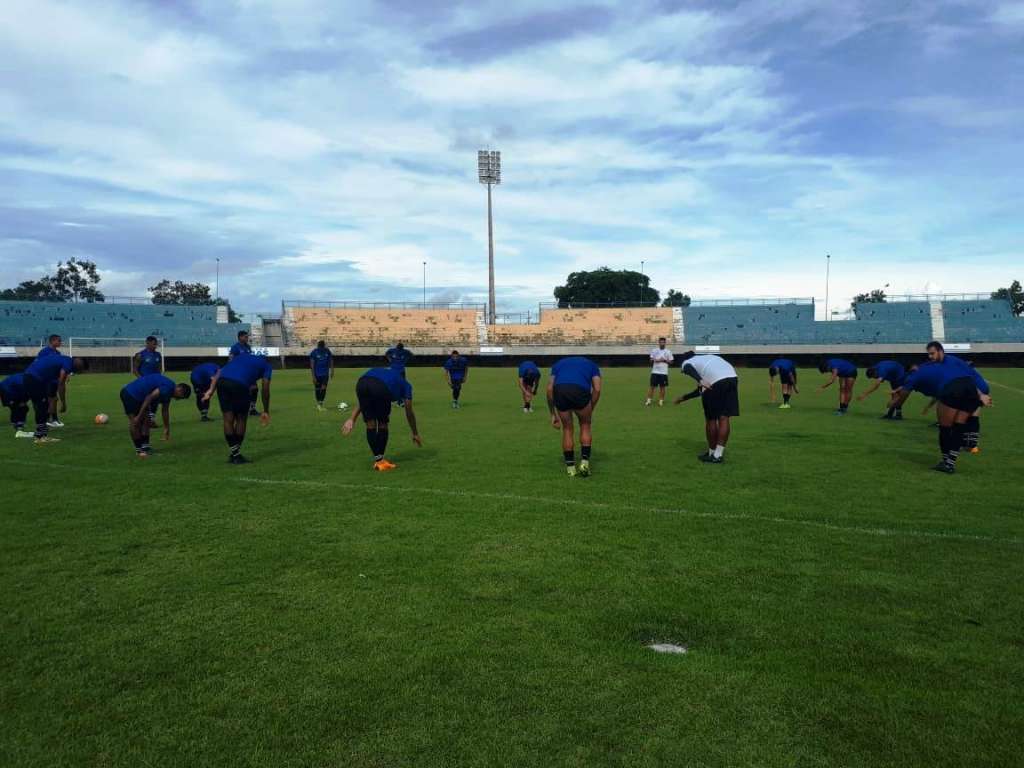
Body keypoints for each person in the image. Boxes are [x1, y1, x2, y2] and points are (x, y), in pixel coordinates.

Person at [889, 349, 991, 473]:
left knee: (946, 429)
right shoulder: (943, 363)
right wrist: (980, 395)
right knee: (959, 426)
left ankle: (947, 463)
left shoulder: (915, 376)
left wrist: (895, 404)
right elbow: (964, 376)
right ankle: (960, 454)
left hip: (952, 390)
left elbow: (905, 392)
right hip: (971, 387)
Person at [341, 367, 422, 471]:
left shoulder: (390, 375)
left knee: (370, 424)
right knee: (383, 424)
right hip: (381, 388)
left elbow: (363, 401)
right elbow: (409, 411)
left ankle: (378, 460)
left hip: (361, 383)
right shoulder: (407, 386)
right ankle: (380, 462)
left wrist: (352, 419)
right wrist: (415, 433)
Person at [203, 352, 272, 464]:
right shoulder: (266, 365)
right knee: (241, 418)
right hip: (239, 385)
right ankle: (236, 455)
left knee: (228, 418)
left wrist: (210, 391)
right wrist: (266, 410)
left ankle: (234, 454)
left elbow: (219, 372)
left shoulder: (241, 356)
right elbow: (265, 388)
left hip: (222, 382)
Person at [674, 352, 739, 464]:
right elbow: (702, 390)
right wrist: (684, 398)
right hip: (732, 378)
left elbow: (688, 367)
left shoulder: (688, 362)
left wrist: (700, 380)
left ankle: (712, 453)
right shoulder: (707, 358)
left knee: (711, 419)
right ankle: (717, 455)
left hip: (716, 381)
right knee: (724, 417)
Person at [547, 356, 602, 477]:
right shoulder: (592, 365)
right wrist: (590, 408)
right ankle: (584, 463)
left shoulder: (558, 363)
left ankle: (571, 468)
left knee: (567, 428)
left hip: (560, 391)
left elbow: (550, 388)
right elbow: (597, 389)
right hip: (579, 391)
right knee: (585, 425)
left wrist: (552, 413)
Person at [119, 374, 191, 457]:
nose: (178, 399)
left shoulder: (169, 391)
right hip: (131, 394)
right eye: (181, 397)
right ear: (179, 390)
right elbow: (149, 398)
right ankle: (139, 451)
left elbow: (165, 410)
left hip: (140, 396)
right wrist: (138, 416)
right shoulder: (167, 388)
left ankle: (145, 448)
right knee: (135, 422)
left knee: (147, 420)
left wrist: (166, 428)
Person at [22, 353, 85, 443]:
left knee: (43, 405)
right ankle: (40, 437)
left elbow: (55, 378)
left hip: (31, 377)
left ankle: (41, 434)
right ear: (78, 366)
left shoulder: (63, 359)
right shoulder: (68, 363)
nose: (76, 372)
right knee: (41, 406)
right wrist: (63, 403)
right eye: (80, 371)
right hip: (34, 378)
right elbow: (61, 383)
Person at [228, 330, 260, 417]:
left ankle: (252, 409)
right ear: (240, 337)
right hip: (240, 372)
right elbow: (230, 359)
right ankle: (240, 409)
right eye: (245, 337)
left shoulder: (248, 347)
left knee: (254, 389)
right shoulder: (235, 347)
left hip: (249, 372)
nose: (247, 338)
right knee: (243, 391)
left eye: (247, 337)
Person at [132, 336, 163, 423]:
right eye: (153, 344)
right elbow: (135, 370)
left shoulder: (158, 355)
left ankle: (151, 419)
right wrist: (141, 379)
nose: (155, 346)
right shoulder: (140, 355)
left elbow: (159, 368)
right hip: (144, 383)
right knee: (145, 400)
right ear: (148, 343)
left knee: (155, 400)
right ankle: (143, 418)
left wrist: (159, 378)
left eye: (156, 344)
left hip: (155, 382)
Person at [37, 334, 65, 428]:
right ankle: (51, 419)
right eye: (59, 341)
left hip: (54, 380)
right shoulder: (44, 352)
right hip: (46, 379)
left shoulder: (58, 353)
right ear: (52, 341)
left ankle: (52, 419)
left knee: (53, 399)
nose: (60, 342)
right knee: (51, 399)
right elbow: (41, 365)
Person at [0, 373, 33, 438]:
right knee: (19, 408)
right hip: (7, 390)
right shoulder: (24, 382)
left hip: (11, 389)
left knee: (20, 407)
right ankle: (19, 428)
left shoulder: (27, 379)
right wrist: (23, 401)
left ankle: (16, 424)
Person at [645, 337, 674, 406]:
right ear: (659, 343)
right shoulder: (654, 350)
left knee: (662, 387)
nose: (662, 343)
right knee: (652, 387)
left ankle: (661, 401)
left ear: (665, 343)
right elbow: (651, 360)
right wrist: (656, 360)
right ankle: (648, 401)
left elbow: (672, 362)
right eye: (661, 342)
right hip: (655, 372)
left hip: (663, 373)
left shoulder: (668, 351)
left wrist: (664, 360)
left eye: (663, 342)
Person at [309, 340, 334, 411]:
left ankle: (320, 404)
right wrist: (313, 376)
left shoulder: (327, 351)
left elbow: (331, 360)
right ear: (318, 346)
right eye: (321, 347)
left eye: (322, 347)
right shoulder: (314, 352)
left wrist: (332, 370)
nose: (322, 349)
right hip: (317, 374)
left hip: (325, 374)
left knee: (323, 388)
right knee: (317, 389)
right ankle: (318, 403)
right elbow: (312, 365)